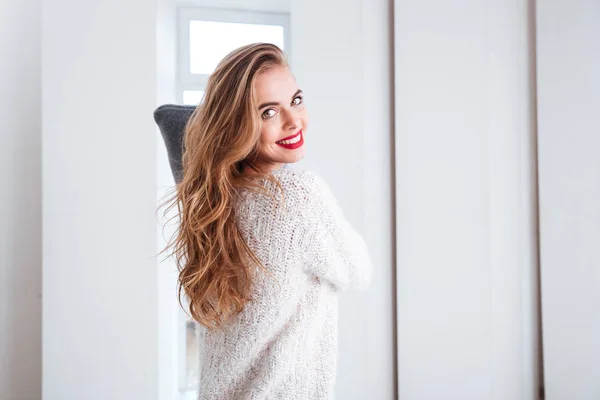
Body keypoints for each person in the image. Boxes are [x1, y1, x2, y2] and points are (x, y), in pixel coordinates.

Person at [160, 43, 373, 399]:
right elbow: (358, 271)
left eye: (296, 99)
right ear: (236, 125)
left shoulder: (211, 206)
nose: (293, 120)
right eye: (268, 112)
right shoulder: (297, 195)